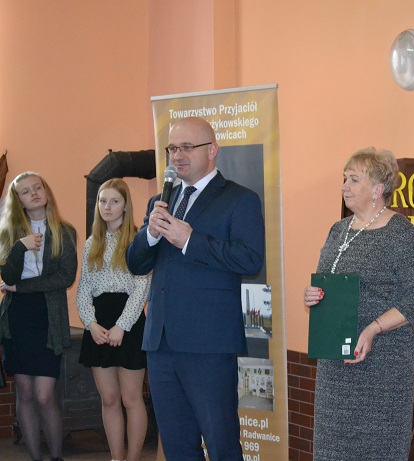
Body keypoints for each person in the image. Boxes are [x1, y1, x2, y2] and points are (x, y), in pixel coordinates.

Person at [126, 116, 265, 460]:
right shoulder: (161, 201)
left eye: (187, 147)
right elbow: (135, 263)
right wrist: (150, 235)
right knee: (177, 446)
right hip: (161, 343)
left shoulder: (239, 199)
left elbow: (250, 259)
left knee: (221, 445)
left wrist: (190, 240)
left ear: (212, 150)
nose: (178, 155)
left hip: (209, 344)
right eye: (173, 148)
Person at [303, 147, 414, 461]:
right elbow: (327, 283)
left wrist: (374, 328)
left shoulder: (400, 232)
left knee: (376, 450)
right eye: (344, 178)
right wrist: (313, 296)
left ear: (377, 189)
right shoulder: (338, 230)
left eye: (353, 180)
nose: (344, 186)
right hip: (335, 365)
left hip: (383, 366)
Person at [0, 172, 77, 461]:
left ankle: (56, 457)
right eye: (25, 191)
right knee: (25, 392)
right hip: (17, 318)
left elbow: (65, 277)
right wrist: (21, 246)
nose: (33, 193)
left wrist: (21, 287)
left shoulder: (64, 231)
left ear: (46, 191)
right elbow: (7, 276)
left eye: (37, 187)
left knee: (45, 395)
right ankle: (35, 458)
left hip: (48, 316)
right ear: (18, 200)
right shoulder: (8, 233)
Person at [77, 178, 151, 461]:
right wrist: (90, 324)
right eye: (102, 201)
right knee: (109, 399)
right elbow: (84, 289)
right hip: (99, 323)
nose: (107, 207)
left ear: (125, 206)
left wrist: (122, 325)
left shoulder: (138, 241)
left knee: (131, 399)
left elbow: (141, 288)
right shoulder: (91, 244)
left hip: (128, 322)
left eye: (114, 201)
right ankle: (116, 458)